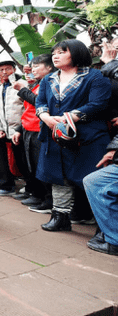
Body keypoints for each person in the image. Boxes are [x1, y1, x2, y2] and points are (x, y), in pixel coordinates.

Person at [36, 40, 111, 232]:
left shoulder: (94, 76)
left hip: (86, 137)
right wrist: (45, 117)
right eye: (54, 52)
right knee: (58, 176)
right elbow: (41, 101)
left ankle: (102, 224)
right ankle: (59, 216)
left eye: (62, 52)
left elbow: (98, 104)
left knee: (90, 177)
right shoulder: (49, 79)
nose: (56, 55)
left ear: (77, 54)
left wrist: (69, 117)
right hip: (55, 135)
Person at [11, 55, 54, 213]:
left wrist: (21, 90)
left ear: (49, 67)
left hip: (40, 130)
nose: (33, 70)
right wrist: (19, 129)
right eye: (32, 67)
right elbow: (28, 110)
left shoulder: (51, 82)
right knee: (32, 166)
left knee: (42, 166)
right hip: (29, 129)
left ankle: (49, 200)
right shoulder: (37, 83)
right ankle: (39, 195)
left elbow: (40, 104)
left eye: (37, 66)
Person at [0, 60, 26, 197]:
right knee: (19, 161)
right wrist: (1, 128)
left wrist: (20, 128)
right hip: (9, 131)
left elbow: (26, 108)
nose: (4, 72)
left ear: (14, 69)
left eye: (8, 69)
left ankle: (33, 191)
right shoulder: (1, 87)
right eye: (1, 70)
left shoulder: (21, 84)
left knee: (26, 162)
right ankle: (29, 188)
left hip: (22, 129)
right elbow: (1, 110)